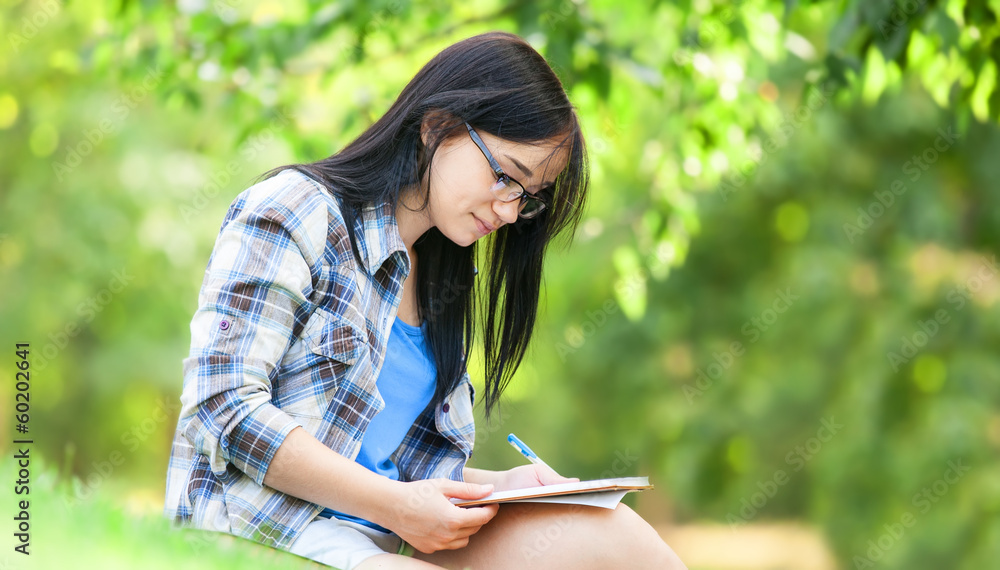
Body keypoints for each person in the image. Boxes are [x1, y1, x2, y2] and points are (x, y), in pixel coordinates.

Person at [164, 31, 687, 569]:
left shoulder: (439, 271)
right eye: (506, 176)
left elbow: (395, 464)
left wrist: (501, 485)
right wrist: (394, 506)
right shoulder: (294, 211)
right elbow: (224, 407)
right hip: (262, 529)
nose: (509, 212)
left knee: (613, 533)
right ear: (437, 126)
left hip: (378, 539)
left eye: (527, 198)